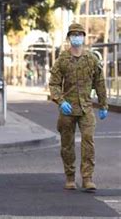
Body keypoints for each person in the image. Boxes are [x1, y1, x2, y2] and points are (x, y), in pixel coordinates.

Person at [49, 23, 108, 192]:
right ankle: (69, 177)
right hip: (67, 109)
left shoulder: (91, 59)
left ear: (83, 37)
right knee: (67, 144)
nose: (76, 37)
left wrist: (103, 104)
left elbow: (100, 83)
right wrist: (60, 101)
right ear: (69, 38)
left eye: (79, 34)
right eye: (73, 34)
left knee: (88, 141)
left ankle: (87, 178)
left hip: (86, 108)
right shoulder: (62, 60)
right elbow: (53, 84)